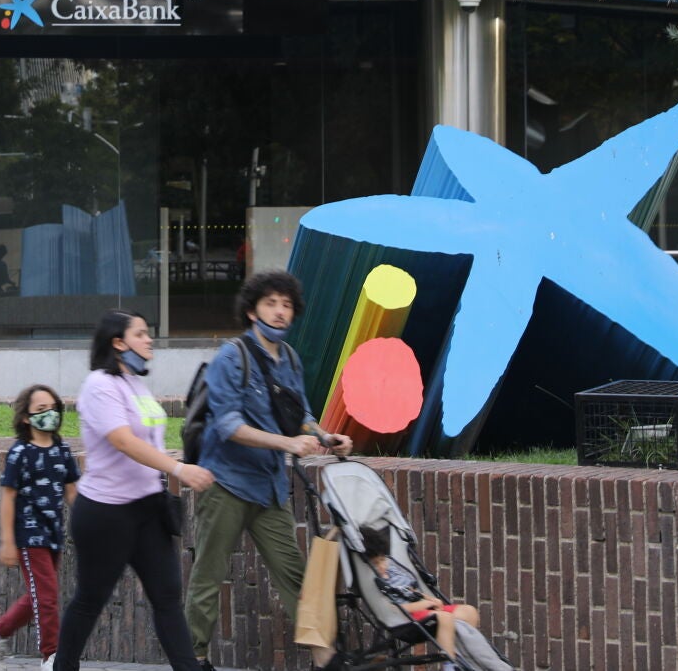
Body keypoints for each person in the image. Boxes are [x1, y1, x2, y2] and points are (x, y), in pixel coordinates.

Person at [185, 270, 352, 671]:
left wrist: (325, 436)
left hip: (269, 488)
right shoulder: (231, 357)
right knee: (209, 574)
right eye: (271, 303)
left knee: (293, 574)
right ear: (252, 310)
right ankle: (194, 657)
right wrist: (287, 444)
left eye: (287, 305)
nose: (279, 312)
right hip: (225, 483)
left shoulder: (289, 358)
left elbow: (300, 415)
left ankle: (325, 659)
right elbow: (228, 425)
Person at [53, 309, 215, 671]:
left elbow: (151, 444)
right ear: (118, 342)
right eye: (140, 334)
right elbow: (124, 441)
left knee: (168, 599)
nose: (149, 339)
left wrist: (175, 477)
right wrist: (179, 469)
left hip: (148, 510)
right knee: (90, 599)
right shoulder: (99, 385)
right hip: (106, 513)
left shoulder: (134, 384)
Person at [0, 385, 80, 671]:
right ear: (25, 417)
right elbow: (8, 496)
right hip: (29, 536)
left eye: (53, 408)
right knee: (47, 596)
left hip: (53, 534)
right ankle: (51, 656)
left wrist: (87, 524)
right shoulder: (19, 453)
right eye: (41, 410)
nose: (49, 414)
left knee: (40, 595)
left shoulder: (62, 450)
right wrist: (8, 541)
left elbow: (72, 492)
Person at [359, 525, 467, 661]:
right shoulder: (375, 582)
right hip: (407, 619)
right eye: (376, 563)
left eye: (382, 560)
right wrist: (425, 604)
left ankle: (466, 658)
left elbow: (412, 591)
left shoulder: (392, 569)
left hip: (424, 608)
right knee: (445, 618)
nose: (381, 566)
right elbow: (393, 609)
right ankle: (451, 664)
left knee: (468, 612)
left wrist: (432, 600)